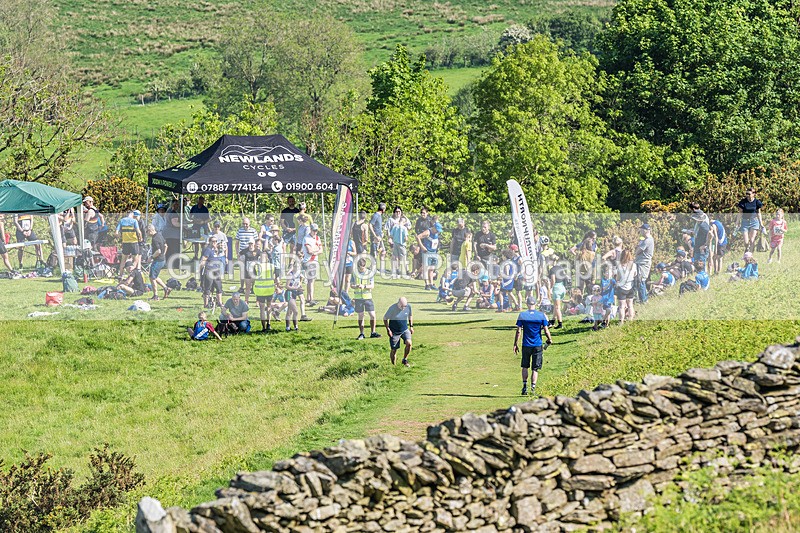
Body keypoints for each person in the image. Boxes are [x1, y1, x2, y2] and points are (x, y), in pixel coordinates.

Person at [513, 295, 552, 397]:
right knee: (535, 368)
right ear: (535, 304)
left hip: (526, 344)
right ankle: (533, 388)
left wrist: (515, 343)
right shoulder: (541, 315)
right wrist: (549, 339)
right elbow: (546, 330)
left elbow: (518, 331)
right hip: (537, 344)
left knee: (525, 366)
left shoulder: (522, 315)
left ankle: (524, 386)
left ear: (527, 304)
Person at [352, 258, 381, 340]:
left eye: (362, 268)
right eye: (359, 268)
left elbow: (372, 286)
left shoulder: (369, 273)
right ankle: (361, 333)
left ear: (365, 266)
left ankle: (373, 332)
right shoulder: (354, 273)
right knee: (361, 316)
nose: (361, 270)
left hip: (368, 297)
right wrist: (356, 286)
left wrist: (364, 286)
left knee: (372, 315)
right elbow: (351, 285)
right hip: (358, 298)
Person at [383, 297, 414, 367]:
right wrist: (388, 329)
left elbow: (410, 315)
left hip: (404, 329)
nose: (403, 308)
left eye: (405, 306)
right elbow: (385, 318)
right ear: (398, 304)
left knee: (409, 343)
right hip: (394, 332)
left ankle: (405, 360)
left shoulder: (408, 307)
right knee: (394, 349)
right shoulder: (392, 308)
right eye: (402, 306)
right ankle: (393, 366)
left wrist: (411, 326)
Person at [252, 252, 277, 333]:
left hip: (260, 290)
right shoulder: (272, 266)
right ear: (267, 258)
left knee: (262, 309)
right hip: (269, 289)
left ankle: (263, 327)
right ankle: (269, 324)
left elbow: (253, 278)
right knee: (269, 307)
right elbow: (274, 277)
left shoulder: (256, 267)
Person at [199, 236, 225, 309]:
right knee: (208, 287)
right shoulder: (208, 250)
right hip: (209, 270)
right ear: (209, 242)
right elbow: (203, 260)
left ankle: (220, 302)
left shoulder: (216, 249)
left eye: (216, 241)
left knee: (219, 287)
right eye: (213, 241)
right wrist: (199, 270)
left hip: (216, 270)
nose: (214, 243)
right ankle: (206, 304)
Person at [418, 214, 442, 291]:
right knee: (426, 268)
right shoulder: (428, 232)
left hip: (434, 252)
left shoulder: (436, 233)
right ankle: (427, 284)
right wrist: (422, 247)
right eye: (437, 230)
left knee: (432, 269)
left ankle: (431, 284)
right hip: (427, 252)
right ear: (434, 228)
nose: (438, 232)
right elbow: (418, 237)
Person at [146, 224, 171, 300]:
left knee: (152, 277)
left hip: (158, 260)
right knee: (154, 276)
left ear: (150, 230)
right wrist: (163, 255)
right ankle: (166, 288)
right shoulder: (160, 235)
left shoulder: (155, 239)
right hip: (162, 259)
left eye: (147, 232)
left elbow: (158, 251)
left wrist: (151, 257)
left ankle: (155, 296)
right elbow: (166, 246)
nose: (146, 234)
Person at [737, 188, 765, 254]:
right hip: (745, 222)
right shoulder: (743, 202)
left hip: (754, 221)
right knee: (746, 241)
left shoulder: (757, 202)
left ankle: (750, 255)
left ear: (753, 194)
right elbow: (740, 213)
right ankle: (747, 249)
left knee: (752, 240)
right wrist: (737, 222)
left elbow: (759, 213)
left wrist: (761, 223)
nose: (747, 195)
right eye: (746, 194)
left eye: (749, 194)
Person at [115, 211, 142, 276]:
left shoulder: (122, 221)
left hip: (125, 243)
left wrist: (120, 237)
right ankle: (133, 275)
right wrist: (140, 238)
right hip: (133, 242)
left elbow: (116, 233)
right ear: (132, 214)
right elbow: (139, 232)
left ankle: (121, 276)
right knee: (135, 259)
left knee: (123, 260)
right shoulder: (134, 221)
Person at [615, 249, 638, 325]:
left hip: (622, 288)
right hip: (630, 287)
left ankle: (621, 321)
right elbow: (635, 274)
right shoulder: (634, 265)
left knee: (621, 306)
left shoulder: (620, 266)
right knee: (630, 305)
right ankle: (630, 319)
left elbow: (617, 278)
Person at [302, 223, 322, 308]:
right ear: (310, 230)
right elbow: (309, 251)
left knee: (311, 281)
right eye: (314, 230)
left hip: (314, 261)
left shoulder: (317, 238)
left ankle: (309, 298)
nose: (315, 232)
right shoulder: (306, 238)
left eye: (316, 231)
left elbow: (321, 250)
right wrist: (316, 249)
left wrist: (315, 250)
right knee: (310, 281)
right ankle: (311, 299)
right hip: (309, 261)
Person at [634, 224, 654, 304]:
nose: (640, 231)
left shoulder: (647, 240)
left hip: (643, 263)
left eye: (642, 230)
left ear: (646, 230)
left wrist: (636, 249)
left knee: (641, 281)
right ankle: (641, 298)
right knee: (639, 281)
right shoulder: (646, 239)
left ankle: (644, 300)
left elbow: (638, 250)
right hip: (641, 262)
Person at [388, 208, 409, 278]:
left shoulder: (395, 227)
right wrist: (406, 239)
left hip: (395, 244)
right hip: (402, 245)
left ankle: (397, 271)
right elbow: (406, 238)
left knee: (396, 257)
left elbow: (391, 235)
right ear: (404, 222)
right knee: (403, 258)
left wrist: (390, 239)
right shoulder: (404, 228)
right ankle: (406, 271)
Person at [549, 257, 567, 329]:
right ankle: (553, 320)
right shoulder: (561, 268)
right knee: (556, 306)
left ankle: (560, 323)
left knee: (557, 307)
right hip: (562, 287)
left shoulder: (552, 269)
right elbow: (565, 277)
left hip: (557, 288)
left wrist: (550, 288)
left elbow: (553, 280)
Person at [163, 199, 181, 264]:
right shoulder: (173, 213)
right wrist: (183, 225)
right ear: (173, 205)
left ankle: (168, 262)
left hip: (167, 233)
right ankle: (175, 263)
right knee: (174, 249)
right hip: (173, 235)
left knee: (169, 249)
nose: (178, 206)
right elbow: (175, 223)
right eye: (176, 204)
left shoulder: (168, 211)